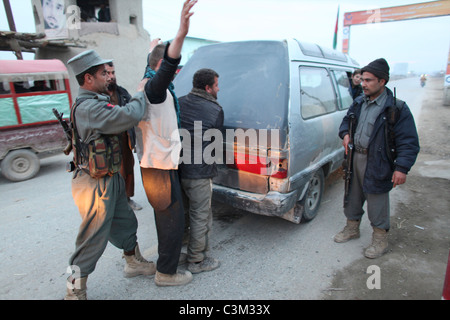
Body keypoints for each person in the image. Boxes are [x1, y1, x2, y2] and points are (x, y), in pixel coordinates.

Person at [65, 50, 154, 300]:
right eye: (103, 73)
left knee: (126, 222)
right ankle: (74, 290)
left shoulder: (94, 101)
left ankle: (133, 261)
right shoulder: (90, 107)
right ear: (88, 79)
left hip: (109, 175)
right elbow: (129, 116)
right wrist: (140, 91)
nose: (109, 77)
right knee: (91, 239)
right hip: (94, 183)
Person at [135, 0, 197, 286]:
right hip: (158, 167)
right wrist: (181, 33)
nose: (177, 70)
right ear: (161, 68)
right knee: (170, 223)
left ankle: (167, 264)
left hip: (158, 164)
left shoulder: (147, 83)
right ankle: (166, 273)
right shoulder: (155, 89)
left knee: (170, 218)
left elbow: (156, 63)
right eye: (174, 67)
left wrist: (151, 46)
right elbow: (166, 65)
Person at [334, 58, 420, 259]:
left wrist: (402, 168)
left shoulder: (396, 109)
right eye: (362, 79)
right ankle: (352, 228)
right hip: (355, 157)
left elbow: (409, 142)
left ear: (382, 82)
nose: (363, 84)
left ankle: (380, 239)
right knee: (352, 195)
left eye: (368, 80)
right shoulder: (358, 102)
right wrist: (345, 134)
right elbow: (346, 122)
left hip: (379, 161)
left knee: (377, 200)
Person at [178, 68, 223, 274]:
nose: (218, 88)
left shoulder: (178, 102)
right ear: (207, 88)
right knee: (201, 215)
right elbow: (216, 142)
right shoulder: (215, 109)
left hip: (177, 169)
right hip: (199, 172)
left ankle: (183, 251)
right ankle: (196, 260)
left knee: (185, 212)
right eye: (216, 85)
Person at [105, 62, 143, 211]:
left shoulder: (121, 92)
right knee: (112, 173)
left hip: (124, 139)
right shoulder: (98, 96)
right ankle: (114, 202)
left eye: (113, 73)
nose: (111, 76)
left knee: (127, 169)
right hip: (108, 141)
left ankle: (127, 199)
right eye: (107, 73)